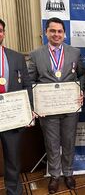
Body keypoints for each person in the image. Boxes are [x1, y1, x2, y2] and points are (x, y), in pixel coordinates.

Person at [28, 17, 85, 194]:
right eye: (52, 31)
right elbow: (30, 81)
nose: (56, 34)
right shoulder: (36, 54)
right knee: (52, 143)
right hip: (48, 109)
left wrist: (81, 90)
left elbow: (82, 75)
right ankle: (54, 175)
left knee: (68, 141)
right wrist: (34, 103)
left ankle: (68, 173)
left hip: (70, 107)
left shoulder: (74, 52)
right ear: (46, 32)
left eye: (60, 31)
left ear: (64, 34)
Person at [0, 19, 33, 195]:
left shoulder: (16, 57)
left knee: (12, 158)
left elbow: (27, 85)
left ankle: (13, 191)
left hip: (11, 116)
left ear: (4, 33)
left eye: (0, 30)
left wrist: (28, 111)